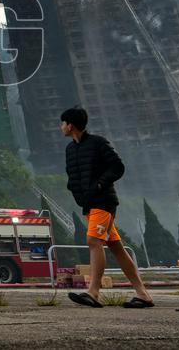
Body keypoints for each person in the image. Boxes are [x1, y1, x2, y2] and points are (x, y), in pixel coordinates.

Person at [60, 107, 154, 309]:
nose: (61, 127)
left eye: (62, 123)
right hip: (88, 204)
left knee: (93, 241)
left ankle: (93, 292)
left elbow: (117, 167)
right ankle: (143, 294)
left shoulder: (98, 143)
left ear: (70, 125)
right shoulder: (70, 149)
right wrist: (74, 189)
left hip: (103, 201)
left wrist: (100, 184)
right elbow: (73, 176)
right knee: (116, 248)